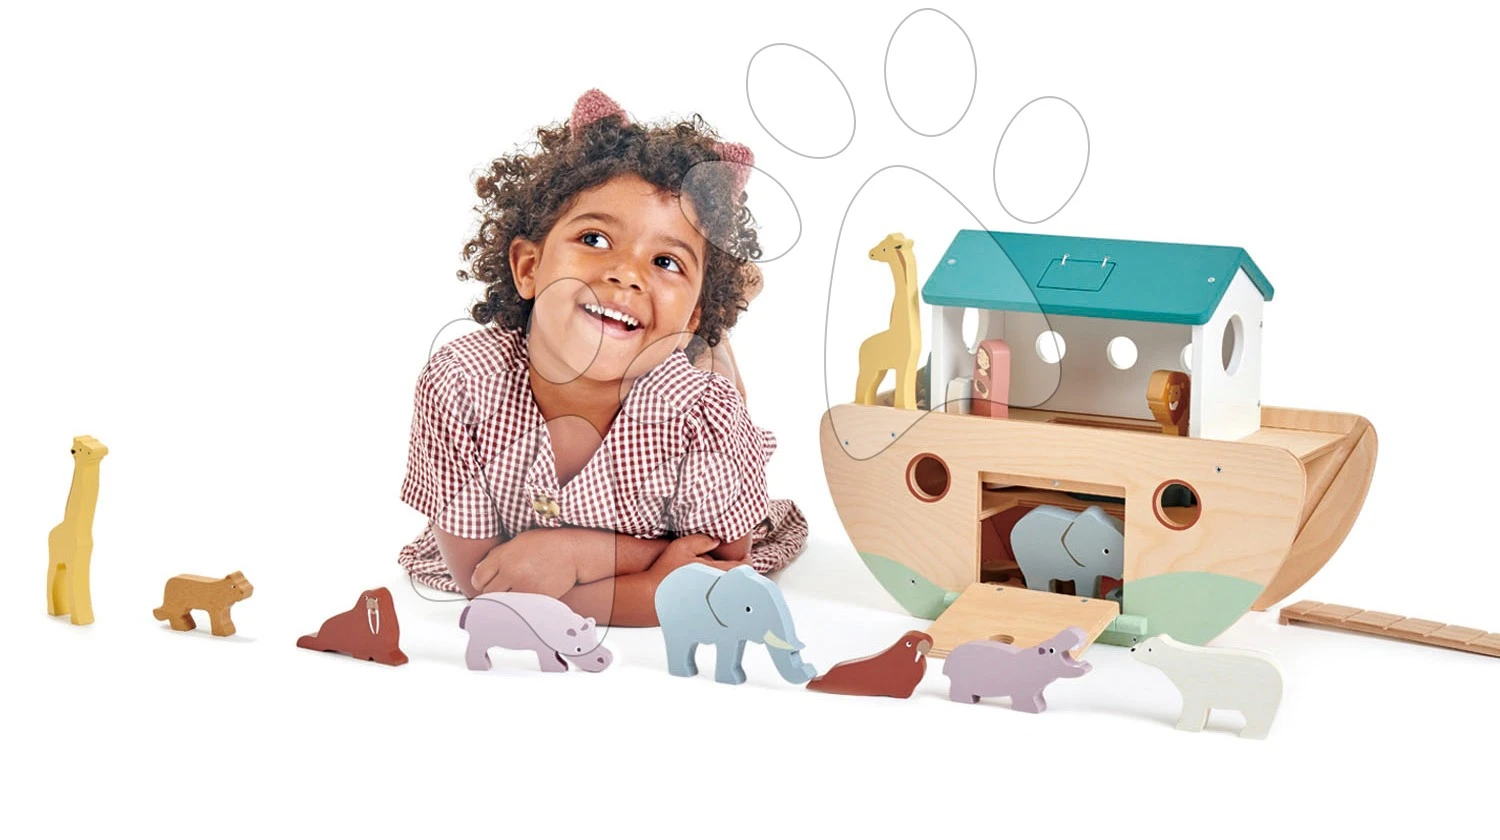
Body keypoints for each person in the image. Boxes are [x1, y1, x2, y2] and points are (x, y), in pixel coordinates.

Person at [395, 89, 806, 626]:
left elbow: (723, 571)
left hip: (677, 381)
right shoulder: (462, 384)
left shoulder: (706, 416)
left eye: (666, 261)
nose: (627, 273)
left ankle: (711, 343)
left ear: (692, 318)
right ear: (529, 267)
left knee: (710, 385)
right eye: (594, 238)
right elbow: (483, 583)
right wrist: (653, 579)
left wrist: (579, 556)